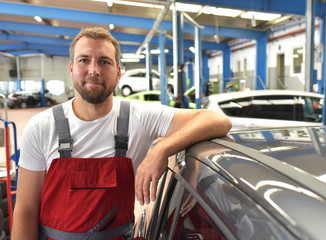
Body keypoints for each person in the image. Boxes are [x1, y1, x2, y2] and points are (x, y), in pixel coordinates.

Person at [11, 27, 232, 240]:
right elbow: (26, 211)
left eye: (104, 62)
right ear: (71, 68)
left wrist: (162, 148)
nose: (94, 70)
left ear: (118, 73)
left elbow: (217, 120)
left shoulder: (140, 116)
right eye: (84, 60)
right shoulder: (41, 126)